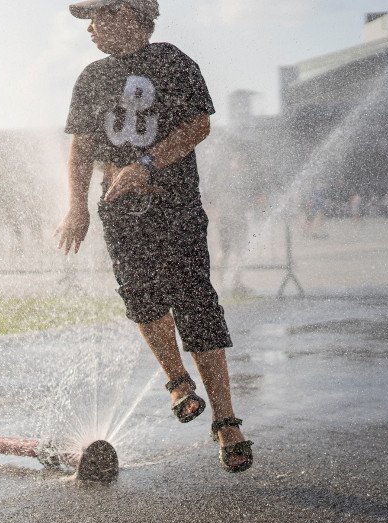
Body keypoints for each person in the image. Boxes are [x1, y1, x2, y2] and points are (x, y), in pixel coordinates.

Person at [55, 0, 252, 472]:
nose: (92, 29)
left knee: (196, 304)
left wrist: (145, 164)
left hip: (176, 205)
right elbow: (81, 148)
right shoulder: (90, 78)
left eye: (100, 17)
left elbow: (199, 125)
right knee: (141, 298)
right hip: (120, 212)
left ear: (130, 14)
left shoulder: (172, 60)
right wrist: (76, 206)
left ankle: (226, 422)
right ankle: (177, 382)